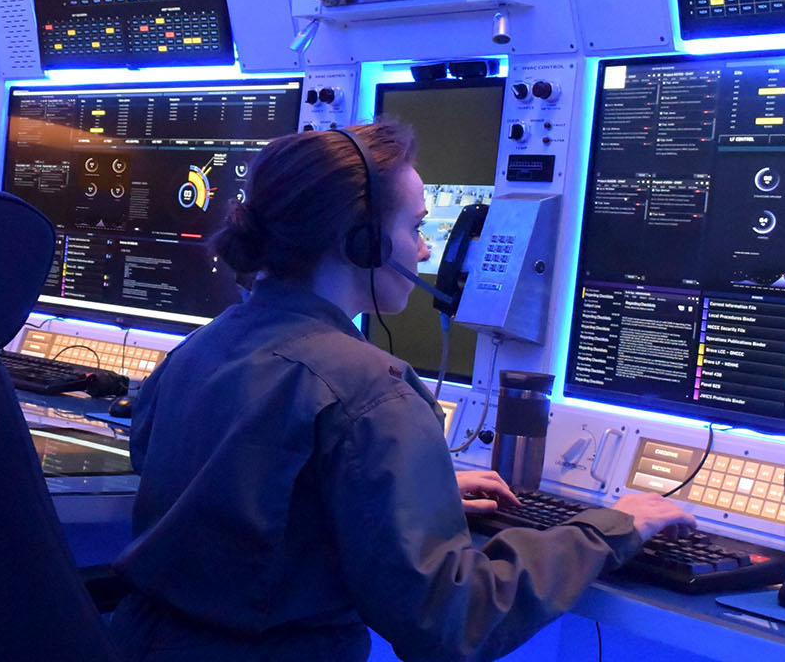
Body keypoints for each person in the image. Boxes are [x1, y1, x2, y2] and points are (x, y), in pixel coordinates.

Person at [110, 122, 695, 662]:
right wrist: (610, 528)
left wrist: (381, 495)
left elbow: (209, 486)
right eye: (415, 228)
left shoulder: (201, 347)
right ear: (360, 243)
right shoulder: (373, 392)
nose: (422, 251)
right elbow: (450, 619)